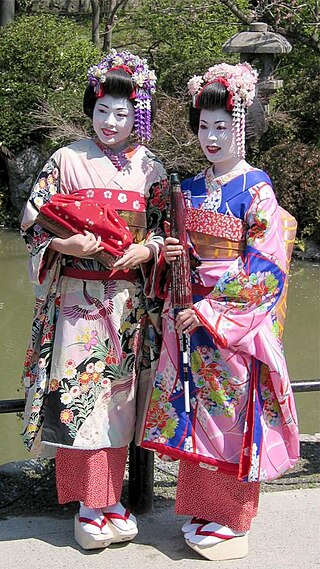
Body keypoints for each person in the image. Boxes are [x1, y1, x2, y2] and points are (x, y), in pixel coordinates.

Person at [141, 62, 299, 560]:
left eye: (222, 126)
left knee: (231, 420)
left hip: (231, 325)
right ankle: (202, 511)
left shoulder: (256, 189)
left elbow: (266, 266)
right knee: (196, 415)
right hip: (189, 317)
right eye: (203, 126)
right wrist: (170, 257)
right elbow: (181, 253)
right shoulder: (188, 189)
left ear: (242, 126)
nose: (211, 137)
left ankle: (232, 519)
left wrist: (210, 312)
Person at [20, 49, 168, 550]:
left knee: (120, 401)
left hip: (127, 303)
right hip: (77, 299)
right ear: (91, 107)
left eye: (123, 114)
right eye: (103, 110)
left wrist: (145, 248)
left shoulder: (152, 167)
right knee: (79, 398)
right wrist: (63, 244)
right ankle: (88, 505)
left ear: (138, 116)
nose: (111, 122)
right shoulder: (65, 159)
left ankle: (112, 500)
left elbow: (169, 233)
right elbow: (32, 220)